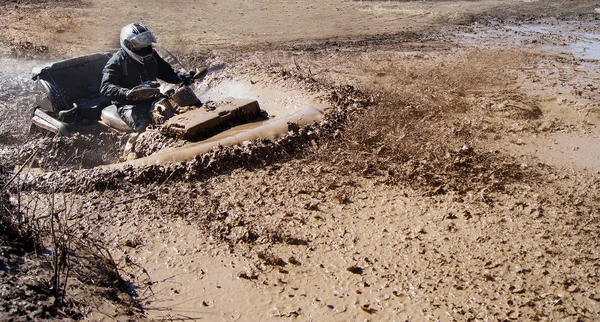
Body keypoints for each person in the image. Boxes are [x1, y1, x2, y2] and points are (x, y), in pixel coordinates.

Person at [100, 23, 194, 133]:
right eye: (139, 46)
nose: (144, 49)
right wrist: (128, 93)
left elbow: (167, 72)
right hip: (128, 105)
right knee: (145, 125)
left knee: (185, 104)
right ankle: (140, 147)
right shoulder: (116, 62)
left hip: (152, 98)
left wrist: (183, 76)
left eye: (146, 44)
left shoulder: (152, 56)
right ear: (128, 45)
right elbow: (105, 87)